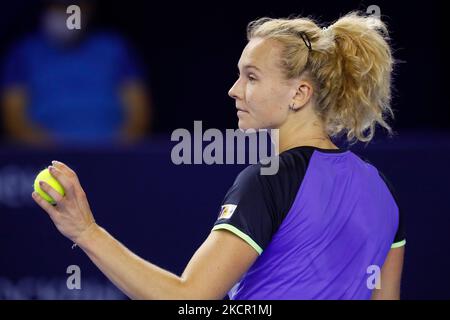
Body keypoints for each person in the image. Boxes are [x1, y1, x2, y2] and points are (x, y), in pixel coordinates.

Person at [31, 12, 405, 299]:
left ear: (299, 94)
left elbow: (190, 297)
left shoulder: (270, 180)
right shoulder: (383, 191)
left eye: (252, 77)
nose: (233, 90)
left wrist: (86, 231)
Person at [1, 0, 152, 147]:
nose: (67, 13)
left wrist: (111, 153)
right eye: (60, 6)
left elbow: (138, 113)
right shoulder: (24, 53)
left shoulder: (115, 48)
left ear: (88, 8)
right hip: (47, 159)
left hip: (111, 154)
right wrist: (53, 153)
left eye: (73, 6)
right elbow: (14, 118)